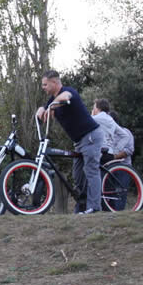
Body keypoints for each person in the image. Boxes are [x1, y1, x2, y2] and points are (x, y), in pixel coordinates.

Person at [36, 69, 104, 214]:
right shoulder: (52, 99)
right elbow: (45, 113)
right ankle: (83, 206)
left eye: (45, 84)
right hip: (79, 142)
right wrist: (42, 109)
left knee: (91, 171)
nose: (43, 88)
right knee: (78, 177)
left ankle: (95, 208)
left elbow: (65, 97)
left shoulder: (67, 91)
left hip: (90, 136)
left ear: (54, 82)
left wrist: (51, 106)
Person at [109, 110, 135, 211]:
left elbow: (129, 150)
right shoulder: (106, 134)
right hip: (109, 168)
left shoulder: (125, 132)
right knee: (109, 191)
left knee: (121, 191)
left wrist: (114, 157)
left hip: (123, 167)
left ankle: (119, 212)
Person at [91, 98, 118, 163]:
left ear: (98, 108)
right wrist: (117, 150)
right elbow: (124, 135)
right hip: (110, 152)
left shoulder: (97, 118)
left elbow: (87, 122)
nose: (93, 110)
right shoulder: (111, 120)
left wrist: (92, 115)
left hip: (100, 152)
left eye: (94, 108)